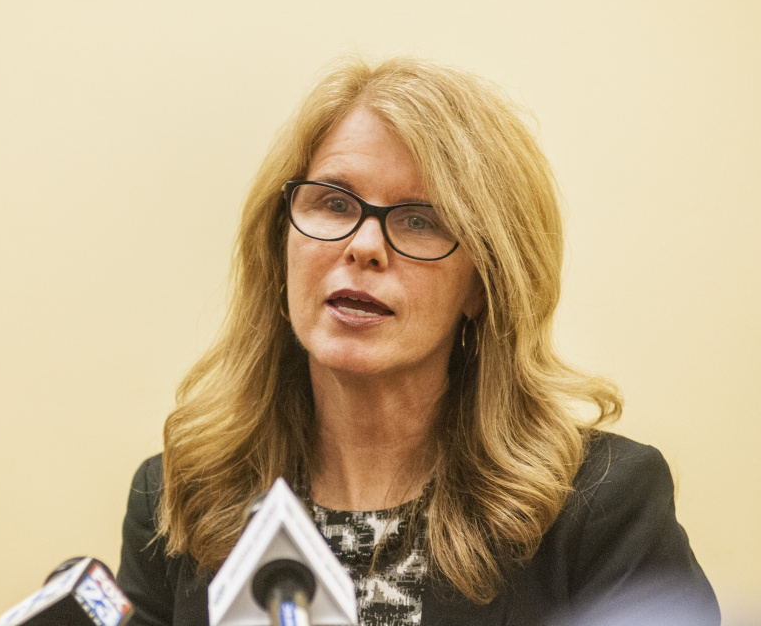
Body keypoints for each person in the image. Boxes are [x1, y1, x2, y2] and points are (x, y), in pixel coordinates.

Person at [116, 56, 719, 625]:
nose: (364, 246)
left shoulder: (601, 506)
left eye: (419, 219)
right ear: (281, 247)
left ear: (482, 287)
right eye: (333, 202)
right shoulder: (181, 496)